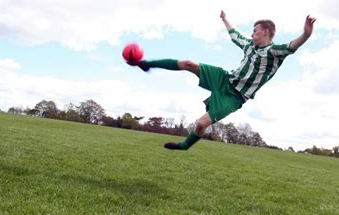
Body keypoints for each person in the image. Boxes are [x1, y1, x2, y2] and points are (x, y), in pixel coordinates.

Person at [129, 11, 316, 150]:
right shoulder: (249, 45)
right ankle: (146, 64)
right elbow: (234, 34)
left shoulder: (274, 52)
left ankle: (185, 145)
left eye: (255, 31)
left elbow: (292, 46)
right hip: (225, 78)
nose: (252, 34)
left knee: (201, 124)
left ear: (266, 32)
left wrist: (306, 34)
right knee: (188, 63)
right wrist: (225, 19)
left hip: (234, 97)